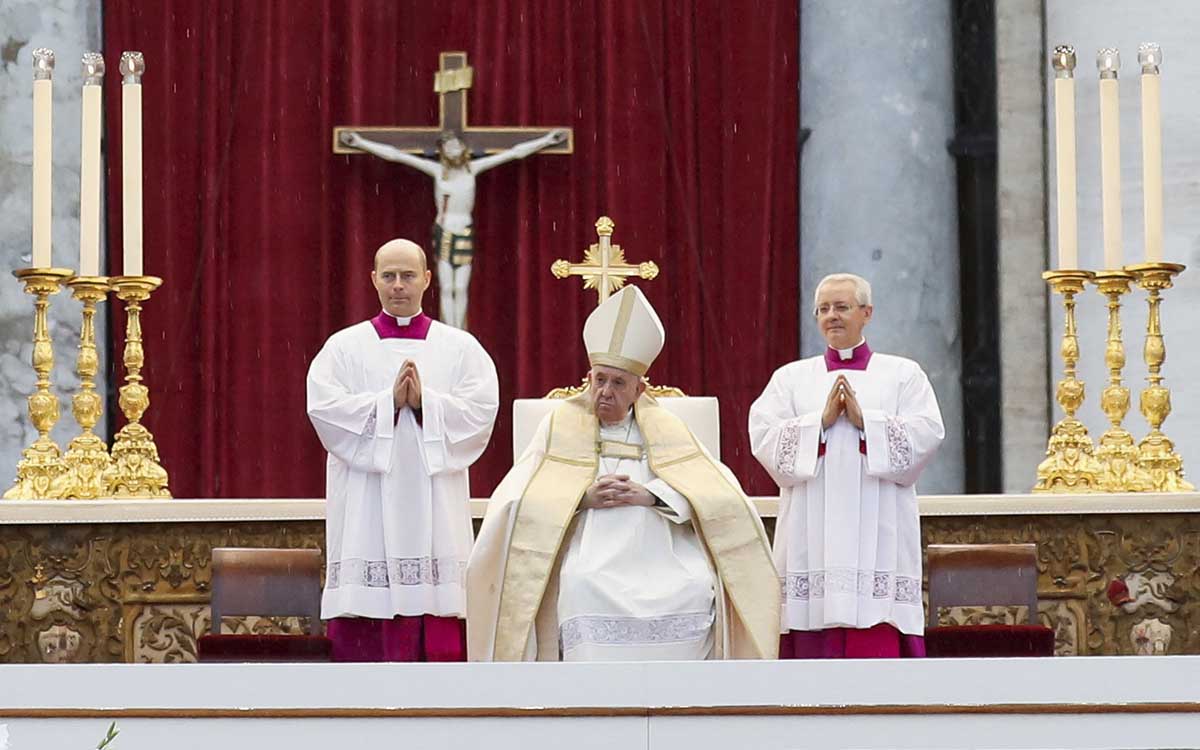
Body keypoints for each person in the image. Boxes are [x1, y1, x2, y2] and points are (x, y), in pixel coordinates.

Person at [467, 285, 778, 662]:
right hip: (589, 545)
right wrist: (580, 498)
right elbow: (517, 494)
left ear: (639, 389)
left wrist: (652, 496)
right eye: (599, 380)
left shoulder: (668, 427)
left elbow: (716, 492)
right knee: (580, 583)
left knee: (696, 586)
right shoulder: (559, 424)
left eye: (618, 383)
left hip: (661, 547)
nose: (605, 392)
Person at [306, 238, 499, 661]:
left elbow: (481, 411)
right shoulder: (344, 347)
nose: (398, 285)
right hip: (366, 508)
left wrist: (427, 404)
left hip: (436, 507)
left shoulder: (460, 348)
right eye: (389, 276)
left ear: (427, 279)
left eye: (408, 275)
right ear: (373, 279)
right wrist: (387, 404)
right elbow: (323, 409)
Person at [748, 272, 944, 659]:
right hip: (811, 528)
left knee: (876, 635)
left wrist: (866, 422)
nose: (831, 316)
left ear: (867, 313)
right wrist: (818, 424)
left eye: (841, 307)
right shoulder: (791, 379)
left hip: (879, 525)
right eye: (823, 309)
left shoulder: (903, 375)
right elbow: (764, 439)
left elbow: (927, 434)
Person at [340, 128, 568, 329]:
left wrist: (546, 140)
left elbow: (513, 153)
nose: (453, 150)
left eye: (456, 145)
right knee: (447, 286)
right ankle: (450, 327)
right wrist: (360, 142)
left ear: (463, 148)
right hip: (445, 231)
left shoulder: (472, 169)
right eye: (448, 147)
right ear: (443, 152)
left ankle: (460, 329)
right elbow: (397, 156)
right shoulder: (437, 170)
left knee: (461, 287)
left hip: (464, 231)